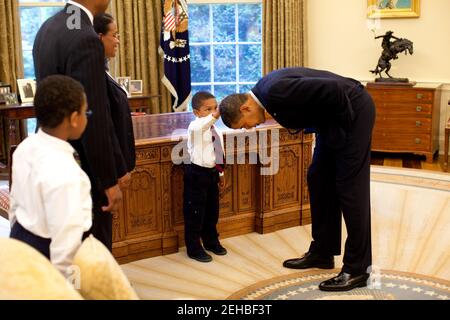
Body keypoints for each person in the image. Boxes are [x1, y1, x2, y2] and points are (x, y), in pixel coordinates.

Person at [219, 67, 375, 291]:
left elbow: (337, 89)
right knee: (318, 178)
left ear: (245, 107)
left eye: (244, 125)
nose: (249, 129)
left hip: (353, 113)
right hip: (333, 120)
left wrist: (344, 133)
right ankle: (323, 252)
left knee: (350, 188)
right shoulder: (267, 94)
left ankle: (357, 269)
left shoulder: (275, 91)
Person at [33, 0, 125, 251]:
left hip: (50, 156)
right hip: (82, 167)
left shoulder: (47, 27)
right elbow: (93, 117)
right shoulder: (85, 37)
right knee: (91, 251)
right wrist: (108, 180)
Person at [9, 75, 92, 276]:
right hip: (48, 253)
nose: (87, 117)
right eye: (85, 112)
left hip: (20, 238)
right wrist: (64, 284)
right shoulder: (67, 173)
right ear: (73, 119)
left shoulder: (25, 147)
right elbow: (66, 241)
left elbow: (15, 203)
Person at [184, 92, 227, 263]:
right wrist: (216, 114)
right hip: (196, 174)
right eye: (207, 109)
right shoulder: (195, 127)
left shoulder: (216, 129)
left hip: (212, 173)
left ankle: (211, 241)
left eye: (215, 108)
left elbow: (219, 151)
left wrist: (221, 173)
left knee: (212, 211)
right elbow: (204, 124)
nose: (212, 112)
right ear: (196, 112)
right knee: (195, 212)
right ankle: (193, 247)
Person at [94, 13, 135, 190]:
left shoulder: (102, 70)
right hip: (111, 170)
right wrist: (119, 168)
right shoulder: (94, 75)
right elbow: (105, 126)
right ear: (100, 37)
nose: (117, 41)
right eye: (114, 35)